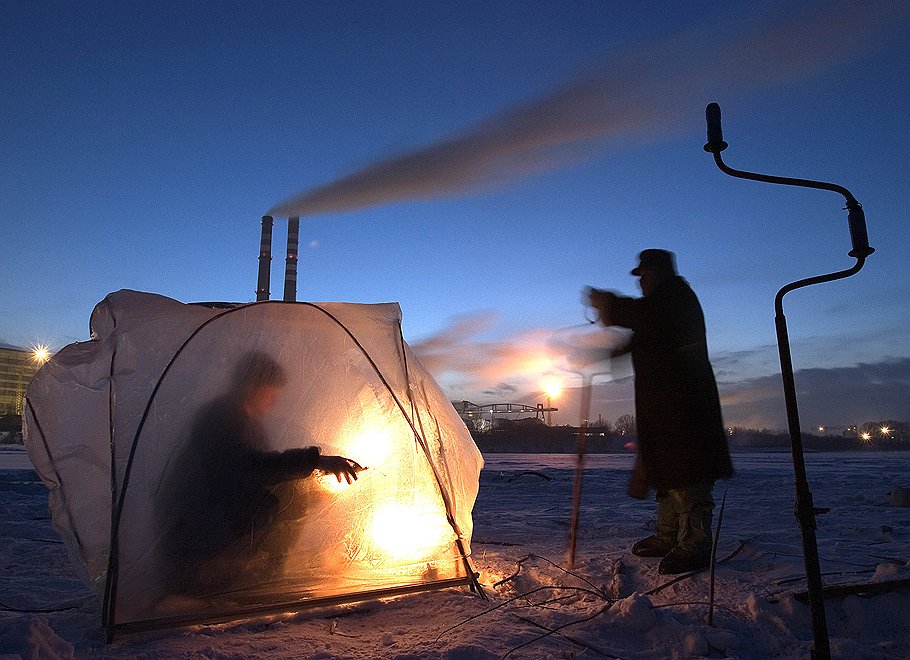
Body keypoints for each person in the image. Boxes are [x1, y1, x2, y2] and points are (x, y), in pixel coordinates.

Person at [158, 351, 364, 598]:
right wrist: (315, 461)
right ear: (250, 386)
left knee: (296, 495)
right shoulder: (220, 418)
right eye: (272, 393)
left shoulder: (247, 421)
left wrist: (313, 473)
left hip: (213, 517)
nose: (275, 401)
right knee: (281, 498)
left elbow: (265, 469)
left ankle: (259, 573)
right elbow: (249, 468)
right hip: (197, 530)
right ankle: (229, 579)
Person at [587, 249, 733, 574]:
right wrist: (605, 353)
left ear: (658, 273)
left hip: (685, 404)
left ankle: (695, 545)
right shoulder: (663, 304)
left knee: (688, 473)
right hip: (665, 404)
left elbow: (645, 316)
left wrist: (609, 304)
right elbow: (644, 334)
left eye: (645, 276)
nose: (641, 283)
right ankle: (668, 536)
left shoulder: (675, 298)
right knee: (666, 472)